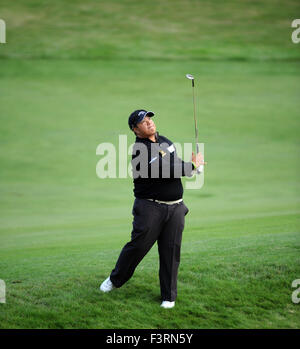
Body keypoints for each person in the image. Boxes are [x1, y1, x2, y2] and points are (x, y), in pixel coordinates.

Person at [100, 109, 204, 308]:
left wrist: (194, 167)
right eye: (143, 121)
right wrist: (190, 166)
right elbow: (162, 170)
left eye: (149, 118)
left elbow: (175, 164)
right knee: (138, 246)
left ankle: (169, 297)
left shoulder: (165, 141)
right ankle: (115, 280)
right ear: (135, 129)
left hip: (175, 208)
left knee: (171, 251)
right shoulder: (140, 150)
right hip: (150, 207)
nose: (148, 122)